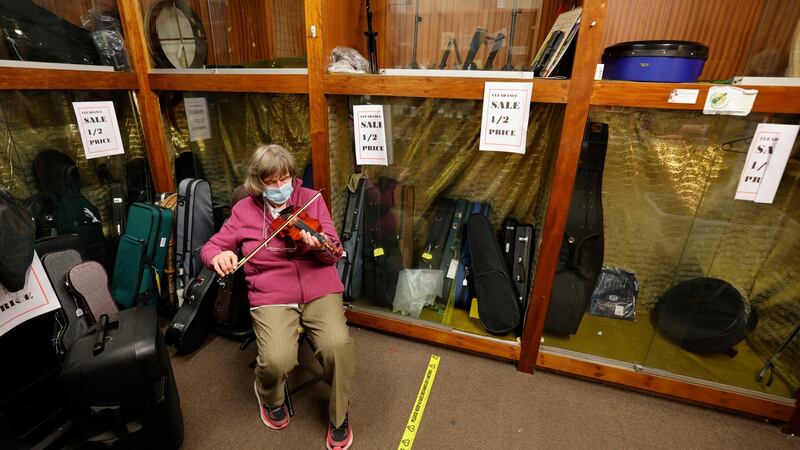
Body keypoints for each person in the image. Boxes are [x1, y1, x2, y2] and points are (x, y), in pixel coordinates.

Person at [200, 144, 354, 450]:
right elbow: (211, 246)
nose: (281, 188)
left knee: (338, 349)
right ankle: (268, 394)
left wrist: (318, 247)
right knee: (276, 361)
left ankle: (340, 413)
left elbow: (333, 250)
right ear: (258, 183)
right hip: (271, 293)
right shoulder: (243, 211)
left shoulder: (311, 200)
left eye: (286, 180)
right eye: (272, 183)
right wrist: (219, 256)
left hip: (319, 288)